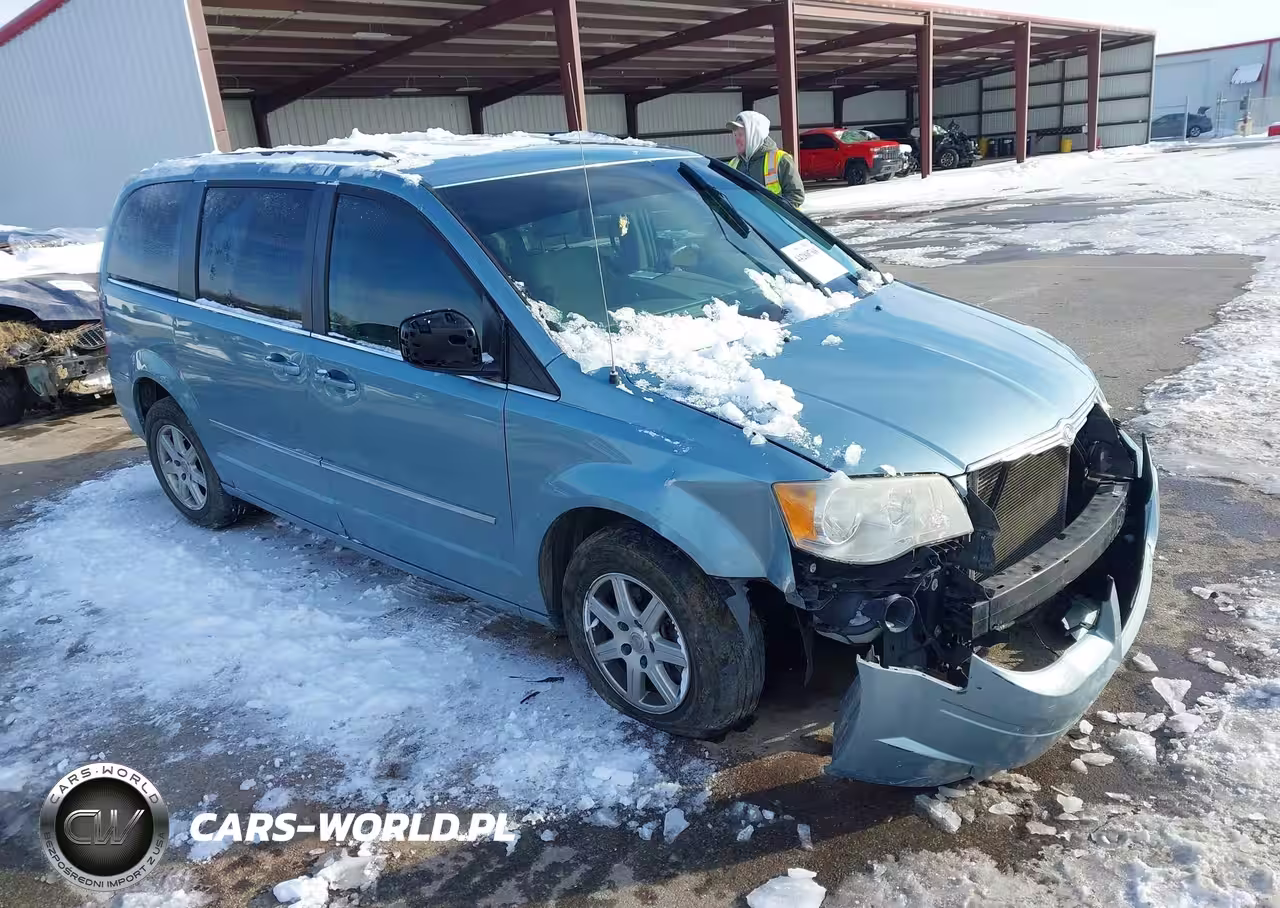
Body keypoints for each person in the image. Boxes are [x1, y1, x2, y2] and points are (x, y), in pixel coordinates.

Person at [726, 110, 805, 208]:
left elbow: (796, 196)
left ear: (754, 135)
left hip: (774, 223)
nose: (737, 140)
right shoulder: (733, 164)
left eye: (741, 135)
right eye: (735, 135)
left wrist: (769, 216)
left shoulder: (781, 160)